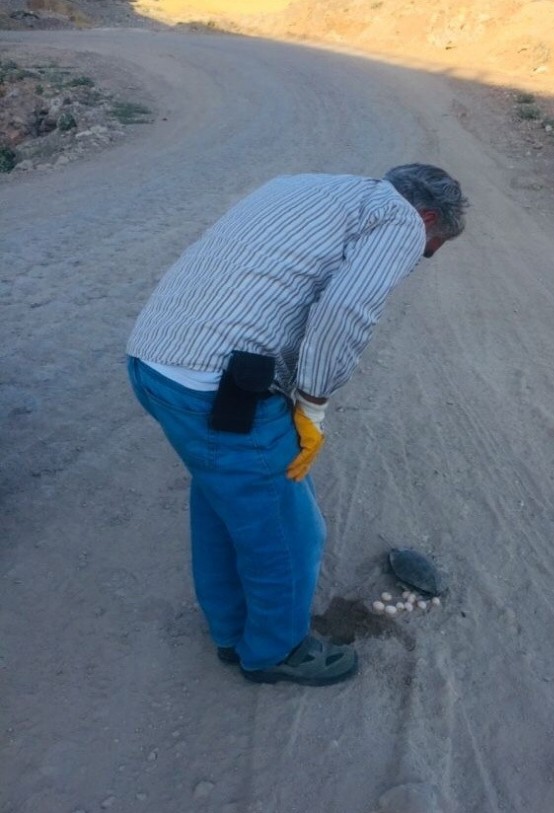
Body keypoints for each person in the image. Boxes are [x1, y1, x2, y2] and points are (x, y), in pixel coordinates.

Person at [126, 164, 468, 686]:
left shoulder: (300, 186)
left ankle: (229, 631)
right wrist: (312, 405)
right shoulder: (400, 220)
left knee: (222, 501)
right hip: (215, 388)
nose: (419, 258)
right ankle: (273, 651)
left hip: (153, 361)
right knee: (291, 534)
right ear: (425, 217)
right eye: (429, 249)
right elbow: (345, 312)